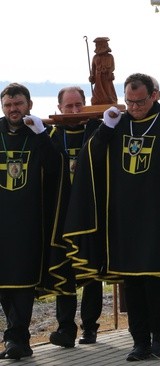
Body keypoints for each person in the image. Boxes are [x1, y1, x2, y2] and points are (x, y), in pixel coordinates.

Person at [64, 74, 160, 361]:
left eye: (140, 101)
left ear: (154, 95)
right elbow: (89, 159)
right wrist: (106, 129)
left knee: (155, 281)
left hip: (159, 217)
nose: (134, 107)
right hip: (123, 218)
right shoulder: (117, 124)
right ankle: (139, 340)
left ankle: (159, 334)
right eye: (130, 102)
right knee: (131, 282)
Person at [0, 83, 67, 360]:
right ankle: (16, 337)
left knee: (24, 281)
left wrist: (41, 135)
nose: (13, 110)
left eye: (18, 104)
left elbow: (56, 168)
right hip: (1, 221)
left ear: (29, 104)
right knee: (3, 282)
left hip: (30, 221)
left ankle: (17, 338)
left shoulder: (43, 133)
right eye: (8, 105)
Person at [48, 87, 103, 348]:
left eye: (78, 105)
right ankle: (65, 328)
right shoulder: (50, 134)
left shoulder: (97, 131)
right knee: (64, 270)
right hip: (61, 213)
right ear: (59, 108)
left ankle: (90, 327)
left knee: (90, 272)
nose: (73, 111)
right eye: (68, 106)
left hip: (89, 214)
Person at [89, 37, 118, 105]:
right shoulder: (95, 57)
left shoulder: (110, 56)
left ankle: (110, 100)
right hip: (98, 78)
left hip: (106, 77)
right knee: (97, 92)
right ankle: (97, 101)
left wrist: (109, 72)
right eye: (97, 45)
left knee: (108, 91)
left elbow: (112, 67)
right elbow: (93, 69)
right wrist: (92, 76)